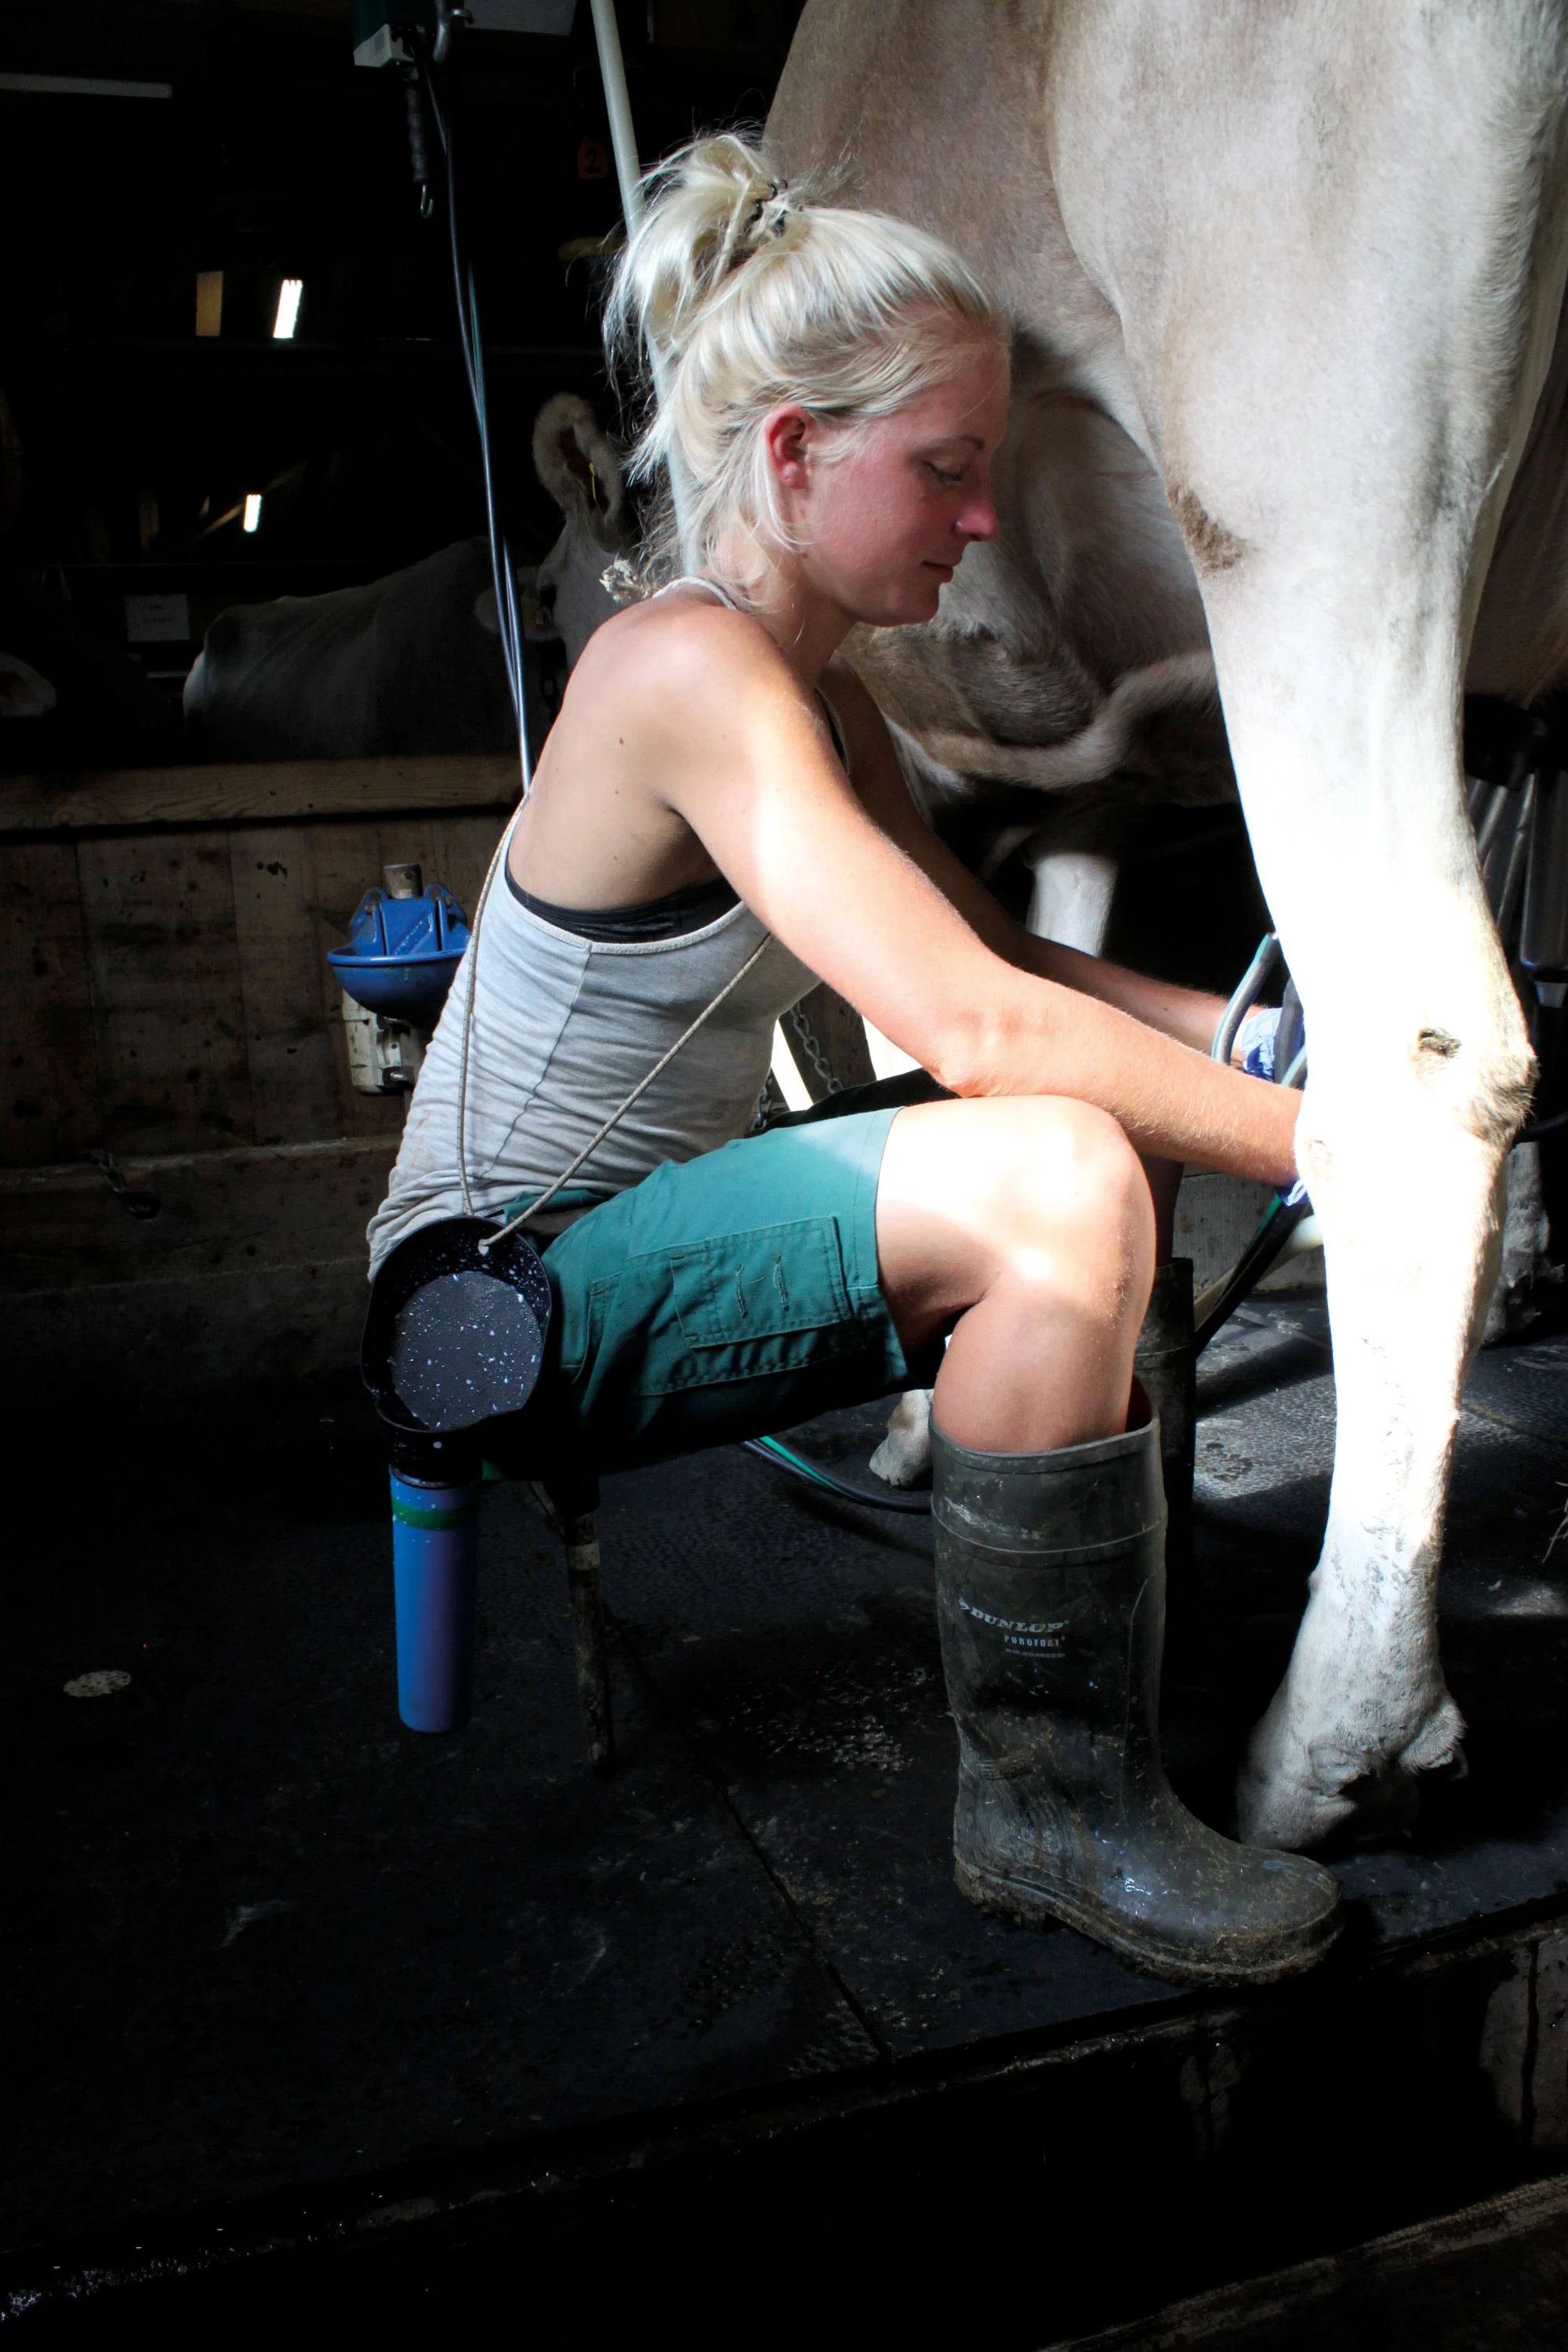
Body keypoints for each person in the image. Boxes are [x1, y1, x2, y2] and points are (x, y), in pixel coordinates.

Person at [367, 134, 1339, 1987]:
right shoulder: (683, 673)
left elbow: (984, 956)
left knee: (1099, 1143)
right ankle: (1045, 1812)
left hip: (629, 1230)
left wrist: (1260, 1041)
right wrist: (1328, 1147)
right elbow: (973, 1035)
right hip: (496, 1301)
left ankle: (1090, 1719)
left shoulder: (804, 684)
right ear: (795, 455)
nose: (977, 522)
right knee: (1056, 1164)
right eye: (946, 470)